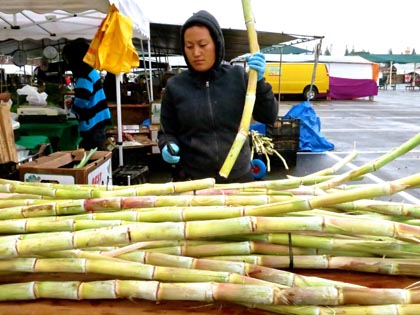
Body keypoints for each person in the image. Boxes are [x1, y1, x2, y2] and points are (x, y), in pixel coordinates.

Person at [157, 10, 278, 183]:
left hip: (239, 179)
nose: (196, 53)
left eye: (203, 44)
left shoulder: (238, 76)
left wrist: (259, 82)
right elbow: (166, 132)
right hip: (192, 181)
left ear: (217, 43)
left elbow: (269, 116)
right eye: (189, 46)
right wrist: (167, 145)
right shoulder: (175, 86)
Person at [62, 39, 112, 151]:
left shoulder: (84, 76)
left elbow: (82, 101)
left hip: (92, 123)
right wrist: (75, 100)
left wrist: (74, 106)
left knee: (91, 154)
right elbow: (88, 95)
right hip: (99, 120)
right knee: (98, 151)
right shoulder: (91, 72)